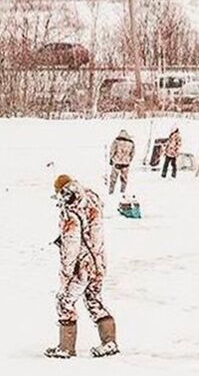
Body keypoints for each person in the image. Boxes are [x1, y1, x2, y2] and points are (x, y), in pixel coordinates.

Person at [46, 175, 117, 358]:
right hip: (99, 260)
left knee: (64, 301)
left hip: (82, 266)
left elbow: (71, 244)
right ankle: (109, 342)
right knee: (93, 299)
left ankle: (66, 347)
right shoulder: (91, 199)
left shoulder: (70, 209)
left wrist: (67, 271)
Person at [107, 129, 135, 195]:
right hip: (126, 163)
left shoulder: (116, 141)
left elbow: (112, 151)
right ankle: (122, 192)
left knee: (113, 179)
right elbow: (132, 154)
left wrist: (111, 159)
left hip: (117, 162)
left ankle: (111, 192)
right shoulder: (131, 143)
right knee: (124, 179)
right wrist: (129, 160)